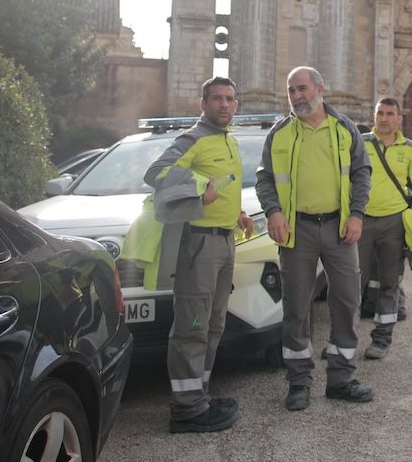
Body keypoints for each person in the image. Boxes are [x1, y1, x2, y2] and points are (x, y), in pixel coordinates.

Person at [256, 66, 374, 409]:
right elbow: (264, 179)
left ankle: (341, 379)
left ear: (321, 88)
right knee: (296, 306)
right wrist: (272, 212)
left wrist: (357, 214)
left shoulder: (344, 129)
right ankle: (298, 383)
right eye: (291, 91)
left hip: (340, 229)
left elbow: (361, 173)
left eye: (302, 89)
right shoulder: (278, 133)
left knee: (347, 302)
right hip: (297, 231)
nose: (297, 96)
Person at [144, 76, 255, 434]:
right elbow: (156, 172)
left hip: (224, 241)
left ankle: (200, 397)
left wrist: (236, 213)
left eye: (230, 99)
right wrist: (196, 186)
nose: (225, 105)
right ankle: (186, 410)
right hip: (198, 245)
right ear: (203, 103)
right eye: (218, 99)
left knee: (213, 325)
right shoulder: (193, 138)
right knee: (192, 327)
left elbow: (221, 185)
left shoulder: (227, 139)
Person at [358, 97, 412, 360]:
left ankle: (382, 339)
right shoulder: (360, 143)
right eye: (380, 113)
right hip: (361, 221)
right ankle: (343, 339)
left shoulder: (409, 148)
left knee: (390, 283)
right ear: (374, 116)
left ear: (399, 118)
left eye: (390, 113)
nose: (384, 118)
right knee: (351, 284)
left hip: (394, 225)